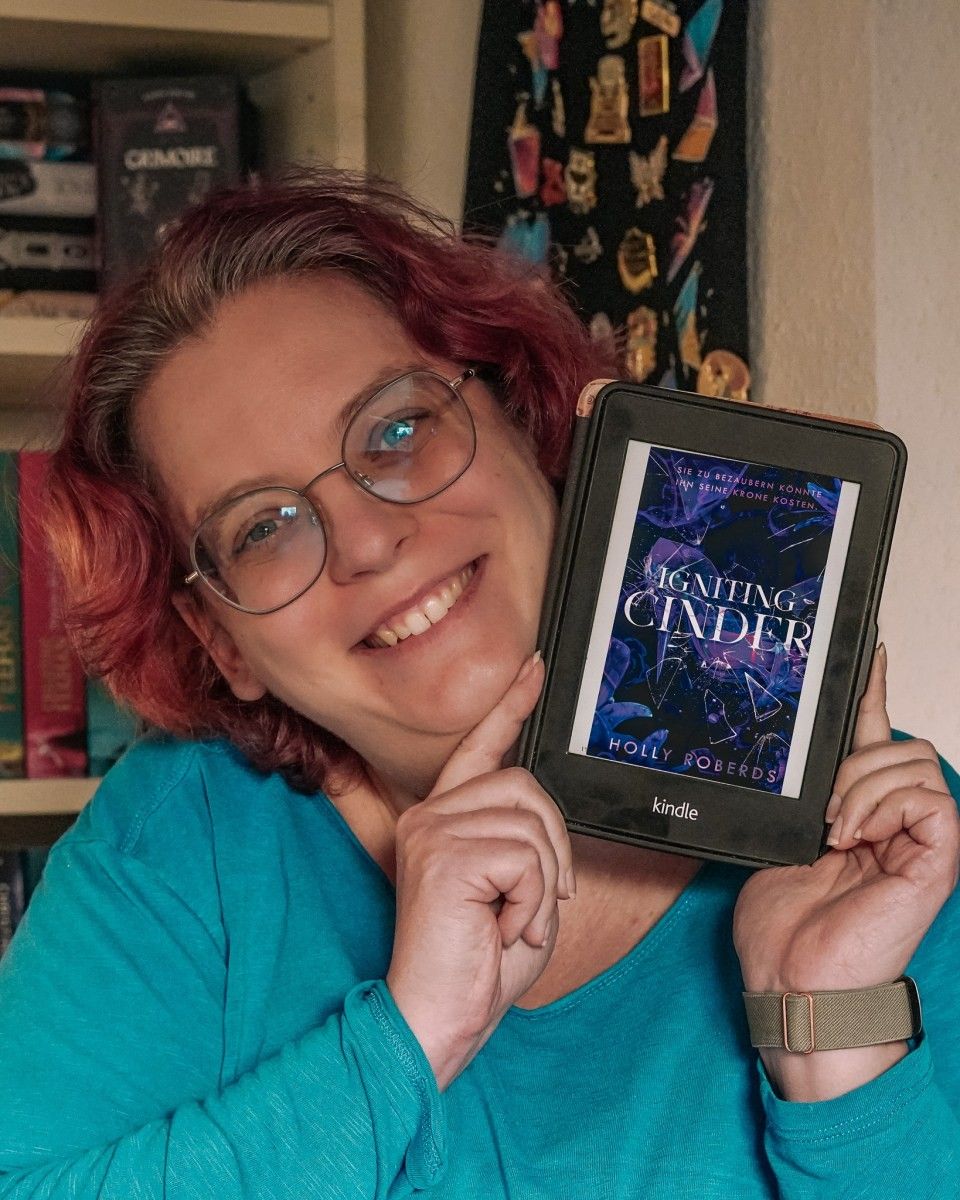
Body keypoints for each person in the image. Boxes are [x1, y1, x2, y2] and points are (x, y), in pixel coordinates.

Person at [0, 170, 957, 1199]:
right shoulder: (177, 846)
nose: (367, 541)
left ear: (526, 421)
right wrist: (411, 1036)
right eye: (262, 529)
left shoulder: (879, 846)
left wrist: (832, 1030)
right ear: (223, 642)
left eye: (396, 430)